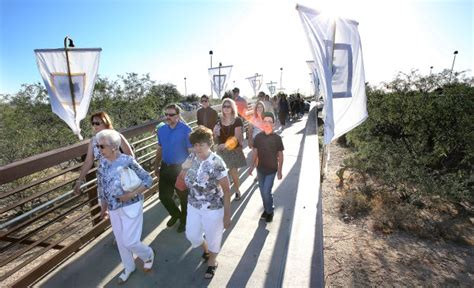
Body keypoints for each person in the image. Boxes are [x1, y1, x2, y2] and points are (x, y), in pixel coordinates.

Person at [95, 129, 154, 284]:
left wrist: (130, 195)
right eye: (98, 146)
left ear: (114, 147)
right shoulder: (101, 164)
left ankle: (148, 254)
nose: (99, 149)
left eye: (102, 146)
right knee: (121, 242)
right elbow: (101, 187)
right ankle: (129, 267)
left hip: (131, 205)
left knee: (130, 241)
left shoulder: (127, 160)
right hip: (113, 208)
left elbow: (148, 180)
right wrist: (103, 207)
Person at [182, 126, 231, 279]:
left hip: (213, 207)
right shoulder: (191, 158)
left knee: (213, 237)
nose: (198, 148)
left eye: (201, 144)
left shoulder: (217, 162)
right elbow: (184, 177)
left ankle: (212, 262)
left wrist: (227, 215)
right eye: (195, 144)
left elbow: (227, 190)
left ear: (209, 144)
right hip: (194, 204)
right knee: (192, 235)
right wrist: (184, 169)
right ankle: (206, 249)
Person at [74, 111, 134, 196]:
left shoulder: (117, 136)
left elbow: (131, 156)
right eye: (93, 123)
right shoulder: (94, 141)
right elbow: (88, 161)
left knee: (126, 204)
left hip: (122, 178)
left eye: (97, 123)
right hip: (105, 179)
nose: (94, 126)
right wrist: (79, 181)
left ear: (106, 122)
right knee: (108, 207)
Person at [155, 104, 193, 233]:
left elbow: (191, 152)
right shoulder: (162, 130)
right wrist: (156, 165)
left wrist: (187, 170)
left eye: (171, 115)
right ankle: (176, 214)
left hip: (180, 169)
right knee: (163, 196)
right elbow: (160, 148)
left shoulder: (186, 130)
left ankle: (184, 221)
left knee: (183, 198)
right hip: (165, 167)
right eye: (166, 114)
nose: (168, 117)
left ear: (178, 115)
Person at [248, 112, 284, 223]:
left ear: (273, 124)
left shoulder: (277, 138)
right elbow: (255, 153)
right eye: (265, 121)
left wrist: (279, 170)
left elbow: (281, 155)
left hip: (271, 170)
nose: (267, 123)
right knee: (262, 192)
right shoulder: (258, 137)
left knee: (266, 191)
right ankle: (267, 209)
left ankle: (270, 211)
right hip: (260, 169)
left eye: (270, 121)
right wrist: (252, 166)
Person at [213, 98, 247, 200]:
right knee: (220, 174)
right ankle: (222, 192)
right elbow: (215, 138)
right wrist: (215, 133)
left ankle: (237, 190)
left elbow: (237, 138)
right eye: (224, 106)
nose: (226, 108)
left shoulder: (237, 120)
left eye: (228, 106)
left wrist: (224, 145)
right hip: (221, 151)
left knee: (233, 172)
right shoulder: (218, 120)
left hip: (233, 150)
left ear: (232, 108)